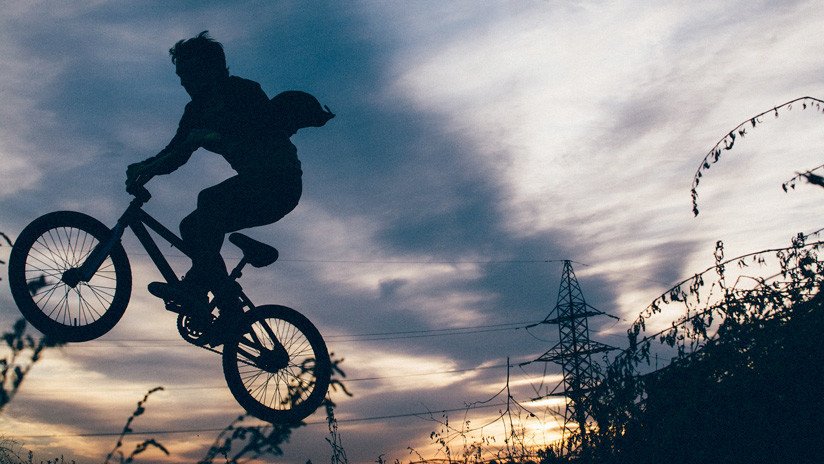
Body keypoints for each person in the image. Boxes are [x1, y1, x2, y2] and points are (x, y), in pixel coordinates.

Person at [125, 31, 303, 309]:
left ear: (211, 69)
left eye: (190, 73)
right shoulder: (195, 111)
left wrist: (214, 137)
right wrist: (146, 167)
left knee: (209, 201)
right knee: (192, 226)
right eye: (180, 75)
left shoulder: (244, 92)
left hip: (281, 183)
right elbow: (175, 154)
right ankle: (217, 304)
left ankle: (215, 294)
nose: (184, 81)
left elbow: (261, 132)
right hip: (253, 184)